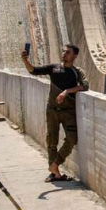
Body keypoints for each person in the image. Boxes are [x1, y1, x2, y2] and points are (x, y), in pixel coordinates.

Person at [21, 43, 88, 182]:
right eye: (63, 51)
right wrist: (25, 60)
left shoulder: (77, 72)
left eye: (68, 52)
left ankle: (55, 164)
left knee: (72, 139)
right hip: (52, 110)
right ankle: (55, 173)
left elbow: (85, 86)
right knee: (52, 141)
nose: (64, 54)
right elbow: (33, 70)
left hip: (68, 111)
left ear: (75, 56)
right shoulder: (54, 68)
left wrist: (67, 91)